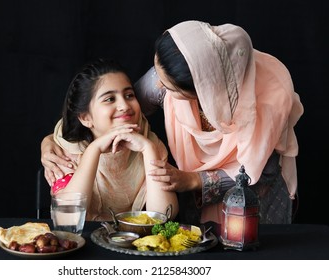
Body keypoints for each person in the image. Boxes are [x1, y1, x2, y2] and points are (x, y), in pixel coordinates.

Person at [41, 21, 303, 227]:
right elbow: (93, 113)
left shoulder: (269, 100)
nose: (157, 87)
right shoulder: (170, 70)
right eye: (158, 74)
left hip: (253, 196)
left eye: (168, 86)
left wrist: (186, 177)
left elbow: (257, 171)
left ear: (203, 91)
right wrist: (51, 141)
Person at [46, 58, 178, 221]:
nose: (125, 105)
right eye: (110, 99)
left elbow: (164, 216)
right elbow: (67, 218)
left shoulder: (150, 143)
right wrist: (94, 150)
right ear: (86, 117)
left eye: (129, 95)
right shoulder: (65, 151)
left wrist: (148, 150)